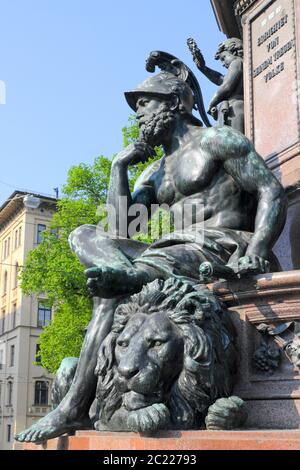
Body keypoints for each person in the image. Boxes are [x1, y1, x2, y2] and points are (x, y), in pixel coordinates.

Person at [15, 64, 286, 443]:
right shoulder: (154, 172)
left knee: (114, 286)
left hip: (221, 244)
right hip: (169, 253)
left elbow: (270, 191)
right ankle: (125, 277)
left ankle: (75, 405)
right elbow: (122, 229)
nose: (138, 113)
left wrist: (257, 249)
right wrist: (119, 166)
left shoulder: (217, 140)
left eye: (144, 103)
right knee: (82, 234)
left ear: (173, 103)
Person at [188, 37, 244, 133]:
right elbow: (219, 78)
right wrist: (203, 68)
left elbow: (226, 86)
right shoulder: (238, 65)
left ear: (233, 52)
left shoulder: (237, 62)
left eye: (223, 58)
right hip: (231, 109)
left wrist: (212, 102)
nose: (222, 63)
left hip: (235, 109)